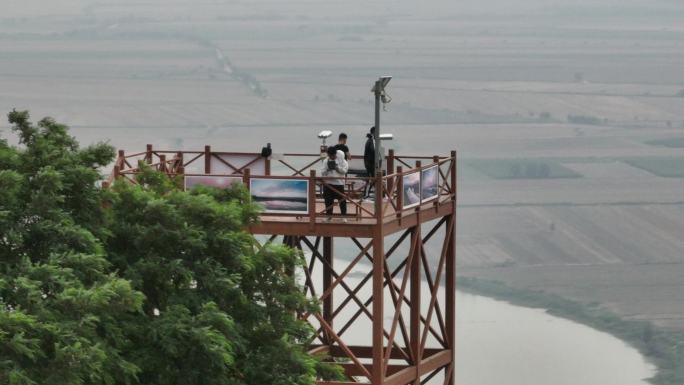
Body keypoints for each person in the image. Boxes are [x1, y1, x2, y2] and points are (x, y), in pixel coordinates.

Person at [320, 146, 349, 221]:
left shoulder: (342, 160)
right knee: (328, 201)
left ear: (335, 154)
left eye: (332, 156)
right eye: (329, 156)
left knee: (342, 201)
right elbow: (322, 172)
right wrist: (328, 169)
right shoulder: (326, 161)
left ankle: (344, 216)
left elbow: (344, 171)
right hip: (328, 184)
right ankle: (329, 216)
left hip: (339, 183)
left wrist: (337, 168)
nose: (331, 157)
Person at [362, 126, 376, 199]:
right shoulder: (370, 141)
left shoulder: (370, 140)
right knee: (371, 179)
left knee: (373, 179)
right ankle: (366, 194)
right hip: (370, 163)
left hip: (370, 163)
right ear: (374, 132)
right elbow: (373, 150)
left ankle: (368, 193)